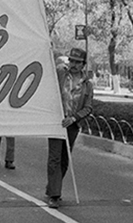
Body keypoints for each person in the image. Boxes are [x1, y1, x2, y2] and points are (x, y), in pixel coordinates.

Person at [46, 47, 93, 209]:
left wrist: (74, 118)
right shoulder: (60, 74)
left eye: (78, 62)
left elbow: (88, 108)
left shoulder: (87, 84)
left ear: (83, 65)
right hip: (56, 123)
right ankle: (55, 195)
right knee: (54, 158)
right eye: (71, 60)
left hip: (72, 125)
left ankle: (52, 186)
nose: (73, 64)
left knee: (65, 159)